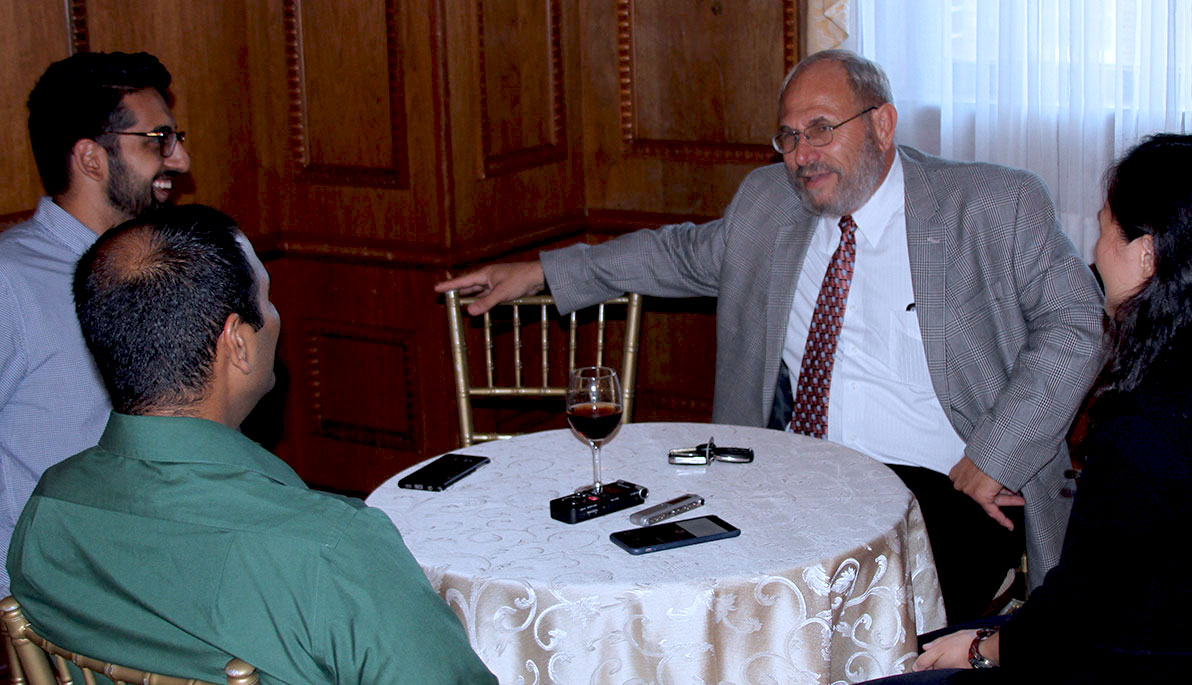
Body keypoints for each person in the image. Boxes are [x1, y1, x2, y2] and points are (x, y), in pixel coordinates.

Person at [436, 49, 1105, 623]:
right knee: (672, 586)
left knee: (858, 621)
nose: (801, 156)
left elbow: (1077, 323)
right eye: (787, 137)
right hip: (788, 478)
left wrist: (993, 454)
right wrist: (537, 271)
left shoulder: (990, 205)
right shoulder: (768, 203)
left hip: (943, 490)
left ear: (881, 123)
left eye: (819, 129)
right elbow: (672, 256)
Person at [6, 205, 496, 684]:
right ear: (238, 343)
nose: (275, 316)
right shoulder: (333, 551)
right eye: (266, 299)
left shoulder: (46, 511)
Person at [866, 133, 1192, 683]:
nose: (1094, 249)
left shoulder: (1142, 433)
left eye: (1105, 227)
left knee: (892, 664)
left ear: (1147, 253)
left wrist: (981, 648)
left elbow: (1077, 620)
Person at [0, 51, 190, 597]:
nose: (178, 161)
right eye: (158, 140)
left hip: (174, 559)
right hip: (77, 601)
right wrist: (19, 596)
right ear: (90, 158)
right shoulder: (12, 283)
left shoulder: (164, 260)